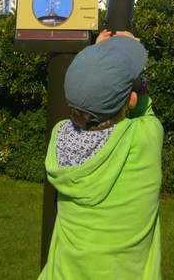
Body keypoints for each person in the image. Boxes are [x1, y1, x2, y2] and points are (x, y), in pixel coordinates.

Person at [38, 30, 164, 279]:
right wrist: (117, 62)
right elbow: (143, 104)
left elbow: (85, 101)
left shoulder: (60, 137)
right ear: (131, 99)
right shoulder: (145, 136)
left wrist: (95, 61)